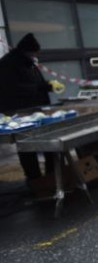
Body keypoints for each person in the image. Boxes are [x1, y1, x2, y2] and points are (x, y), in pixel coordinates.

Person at [0, 33, 60, 181]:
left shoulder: (27, 62)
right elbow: (14, 89)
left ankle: (51, 176)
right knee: (27, 148)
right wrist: (43, 87)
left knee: (47, 144)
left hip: (35, 110)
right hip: (18, 112)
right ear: (28, 50)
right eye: (35, 52)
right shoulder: (8, 65)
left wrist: (48, 86)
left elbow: (35, 83)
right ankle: (35, 180)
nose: (36, 55)